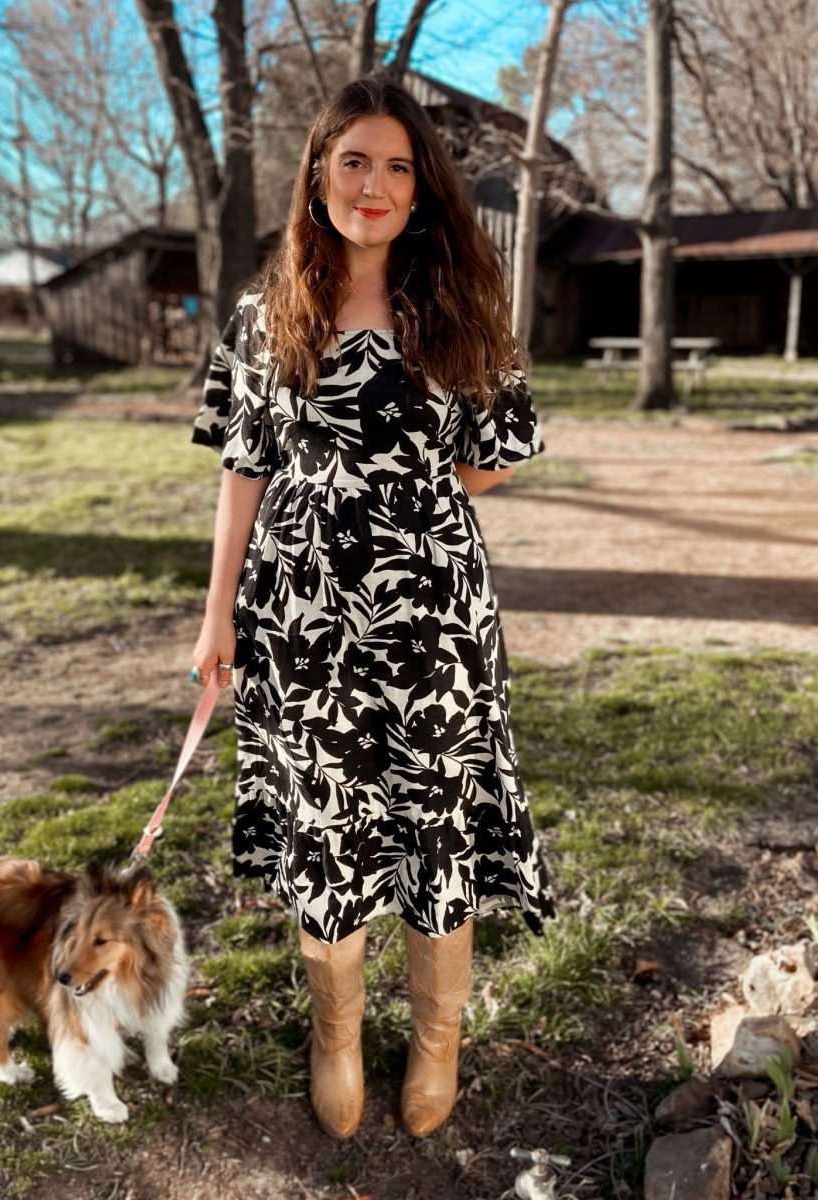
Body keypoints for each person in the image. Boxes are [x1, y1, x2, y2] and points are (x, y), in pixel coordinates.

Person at [189, 75, 557, 1140]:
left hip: (434, 619)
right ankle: (337, 1036)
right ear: (316, 173)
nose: (374, 184)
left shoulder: (459, 304)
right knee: (329, 820)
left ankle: (436, 1039)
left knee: (433, 815)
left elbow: (495, 456)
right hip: (300, 617)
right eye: (354, 160)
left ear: (422, 188)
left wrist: (405, 502)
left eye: (398, 166)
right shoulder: (268, 312)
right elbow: (240, 471)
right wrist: (218, 618)